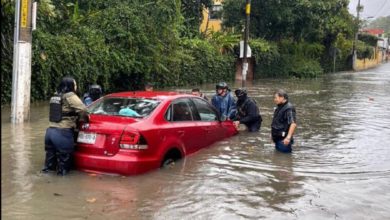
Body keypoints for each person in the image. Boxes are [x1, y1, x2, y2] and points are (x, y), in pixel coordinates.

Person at [42, 76, 88, 175]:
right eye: (75, 84)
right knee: (64, 166)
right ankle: (61, 188)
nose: (76, 86)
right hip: (63, 133)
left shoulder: (55, 96)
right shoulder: (70, 96)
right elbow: (83, 110)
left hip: (50, 132)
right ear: (70, 85)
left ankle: (47, 184)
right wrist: (84, 120)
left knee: (49, 166)